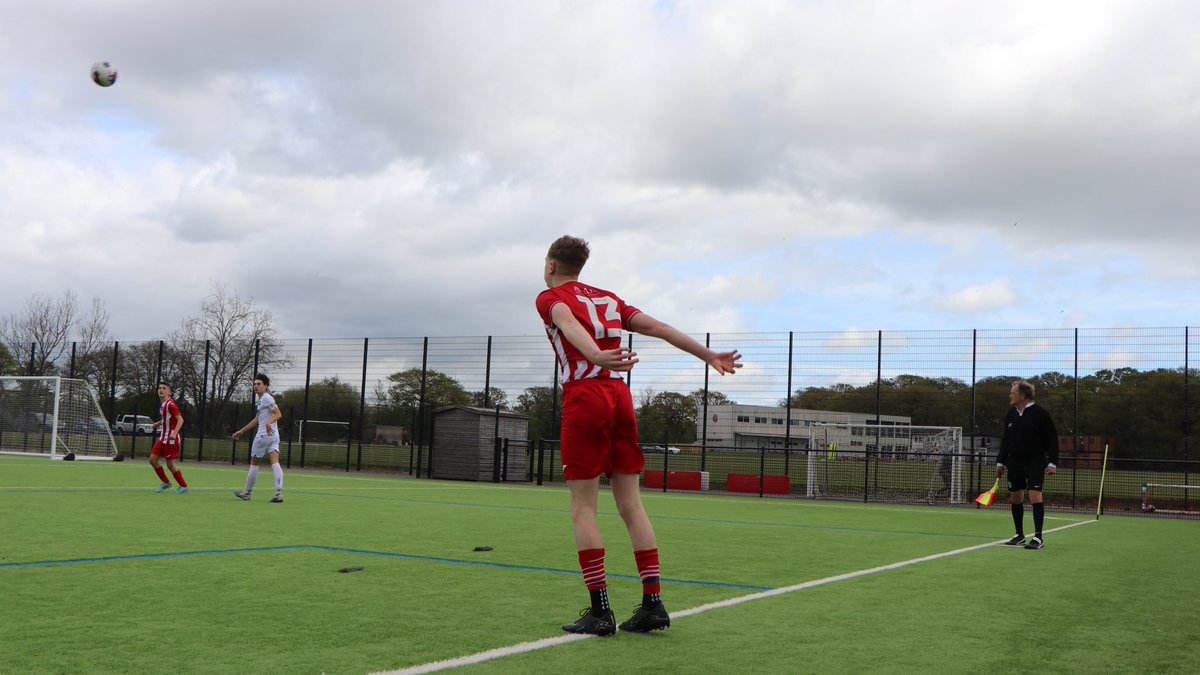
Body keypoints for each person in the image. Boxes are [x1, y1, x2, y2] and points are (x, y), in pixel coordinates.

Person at [536, 235, 742, 636]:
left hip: (586, 395)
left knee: (583, 507)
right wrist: (709, 356)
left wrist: (594, 355)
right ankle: (653, 603)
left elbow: (565, 321)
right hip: (620, 396)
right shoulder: (610, 299)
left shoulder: (550, 297)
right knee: (632, 504)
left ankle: (599, 611)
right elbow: (662, 328)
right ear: (582, 266)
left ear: (550, 266)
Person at [996, 379, 1059, 550]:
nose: (1010, 395)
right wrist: (1000, 462)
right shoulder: (1011, 414)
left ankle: (1038, 538)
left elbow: (1052, 439)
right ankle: (1019, 535)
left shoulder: (1040, 413)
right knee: (1015, 498)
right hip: (1014, 462)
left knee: (1034, 496)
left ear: (1023, 395)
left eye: (1013, 392)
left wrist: (1052, 462)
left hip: (1035, 462)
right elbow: (1005, 440)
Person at [232, 373, 284, 503]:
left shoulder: (267, 398)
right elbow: (257, 419)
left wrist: (268, 423)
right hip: (274, 436)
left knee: (254, 464)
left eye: (259, 384)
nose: (256, 386)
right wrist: (242, 431)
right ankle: (279, 494)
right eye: (254, 384)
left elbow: (278, 414)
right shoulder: (262, 400)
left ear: (265, 386)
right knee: (275, 462)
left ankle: (247, 493)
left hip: (263, 436)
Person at [149, 381, 188, 494]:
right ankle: (166, 483)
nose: (161, 390)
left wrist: (174, 433)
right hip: (163, 437)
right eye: (160, 388)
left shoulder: (171, 404)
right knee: (152, 460)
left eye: (164, 388)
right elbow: (167, 419)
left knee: (170, 464)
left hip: (171, 439)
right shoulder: (163, 404)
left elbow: (180, 420)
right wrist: (158, 423)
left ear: (169, 392)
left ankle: (183, 486)